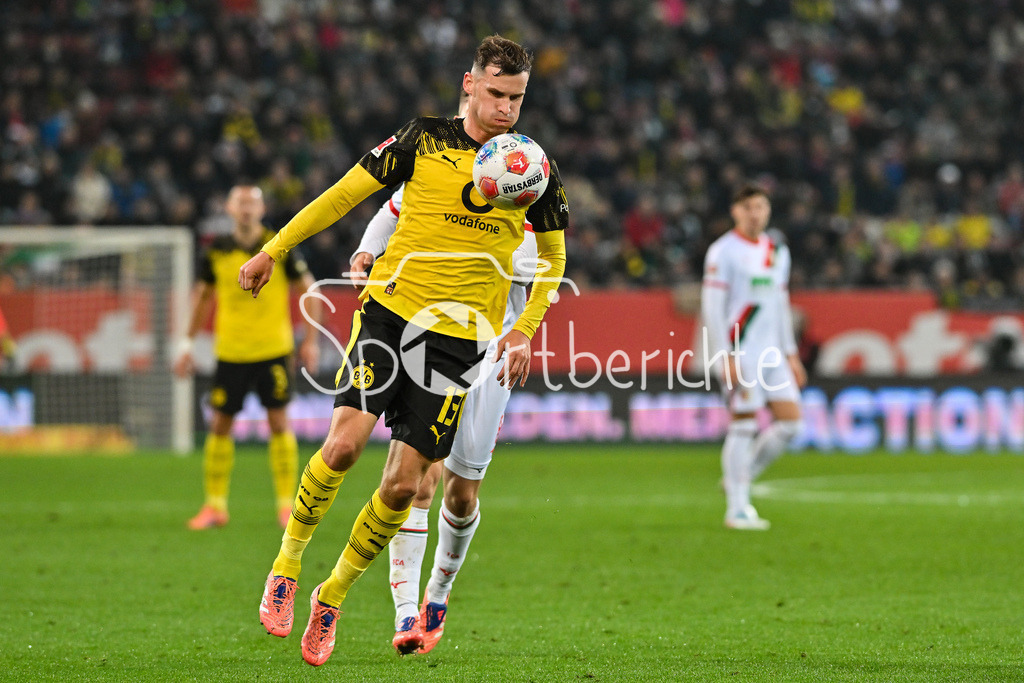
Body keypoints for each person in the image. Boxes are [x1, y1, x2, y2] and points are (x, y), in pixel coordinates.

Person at [239, 34, 568, 667]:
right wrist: (274, 249)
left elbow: (554, 259)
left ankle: (331, 597)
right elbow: (345, 193)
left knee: (402, 486)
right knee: (342, 446)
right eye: (496, 93)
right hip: (390, 314)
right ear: (469, 83)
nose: (506, 108)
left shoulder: (532, 170)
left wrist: (524, 328)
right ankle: (287, 563)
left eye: (517, 98)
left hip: (460, 342)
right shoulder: (424, 139)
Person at [351, 180, 539, 655]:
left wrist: (523, 329)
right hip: (432, 341)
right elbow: (391, 211)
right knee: (417, 481)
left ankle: (439, 590)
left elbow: (544, 273)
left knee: (461, 495)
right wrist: (366, 251)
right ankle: (406, 612)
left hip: (491, 355)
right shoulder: (441, 174)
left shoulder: (527, 199)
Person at [174, 185, 320, 530]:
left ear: (262, 208)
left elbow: (310, 290)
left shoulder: (278, 246)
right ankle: (215, 506)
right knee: (220, 425)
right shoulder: (216, 251)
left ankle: (286, 506)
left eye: (252, 202)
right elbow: (202, 298)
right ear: (228, 208)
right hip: (231, 351)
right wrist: (186, 344)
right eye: (240, 202)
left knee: (279, 423)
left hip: (273, 349)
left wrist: (311, 340)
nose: (246, 208)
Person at [700, 185, 806, 530]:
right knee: (743, 425)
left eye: (760, 206)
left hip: (773, 354)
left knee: (791, 424)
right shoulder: (723, 252)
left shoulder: (777, 251)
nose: (755, 213)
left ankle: (740, 475)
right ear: (735, 211)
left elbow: (780, 304)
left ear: (768, 210)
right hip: (741, 353)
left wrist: (791, 353)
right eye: (748, 207)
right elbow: (712, 307)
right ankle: (737, 509)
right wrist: (724, 355)